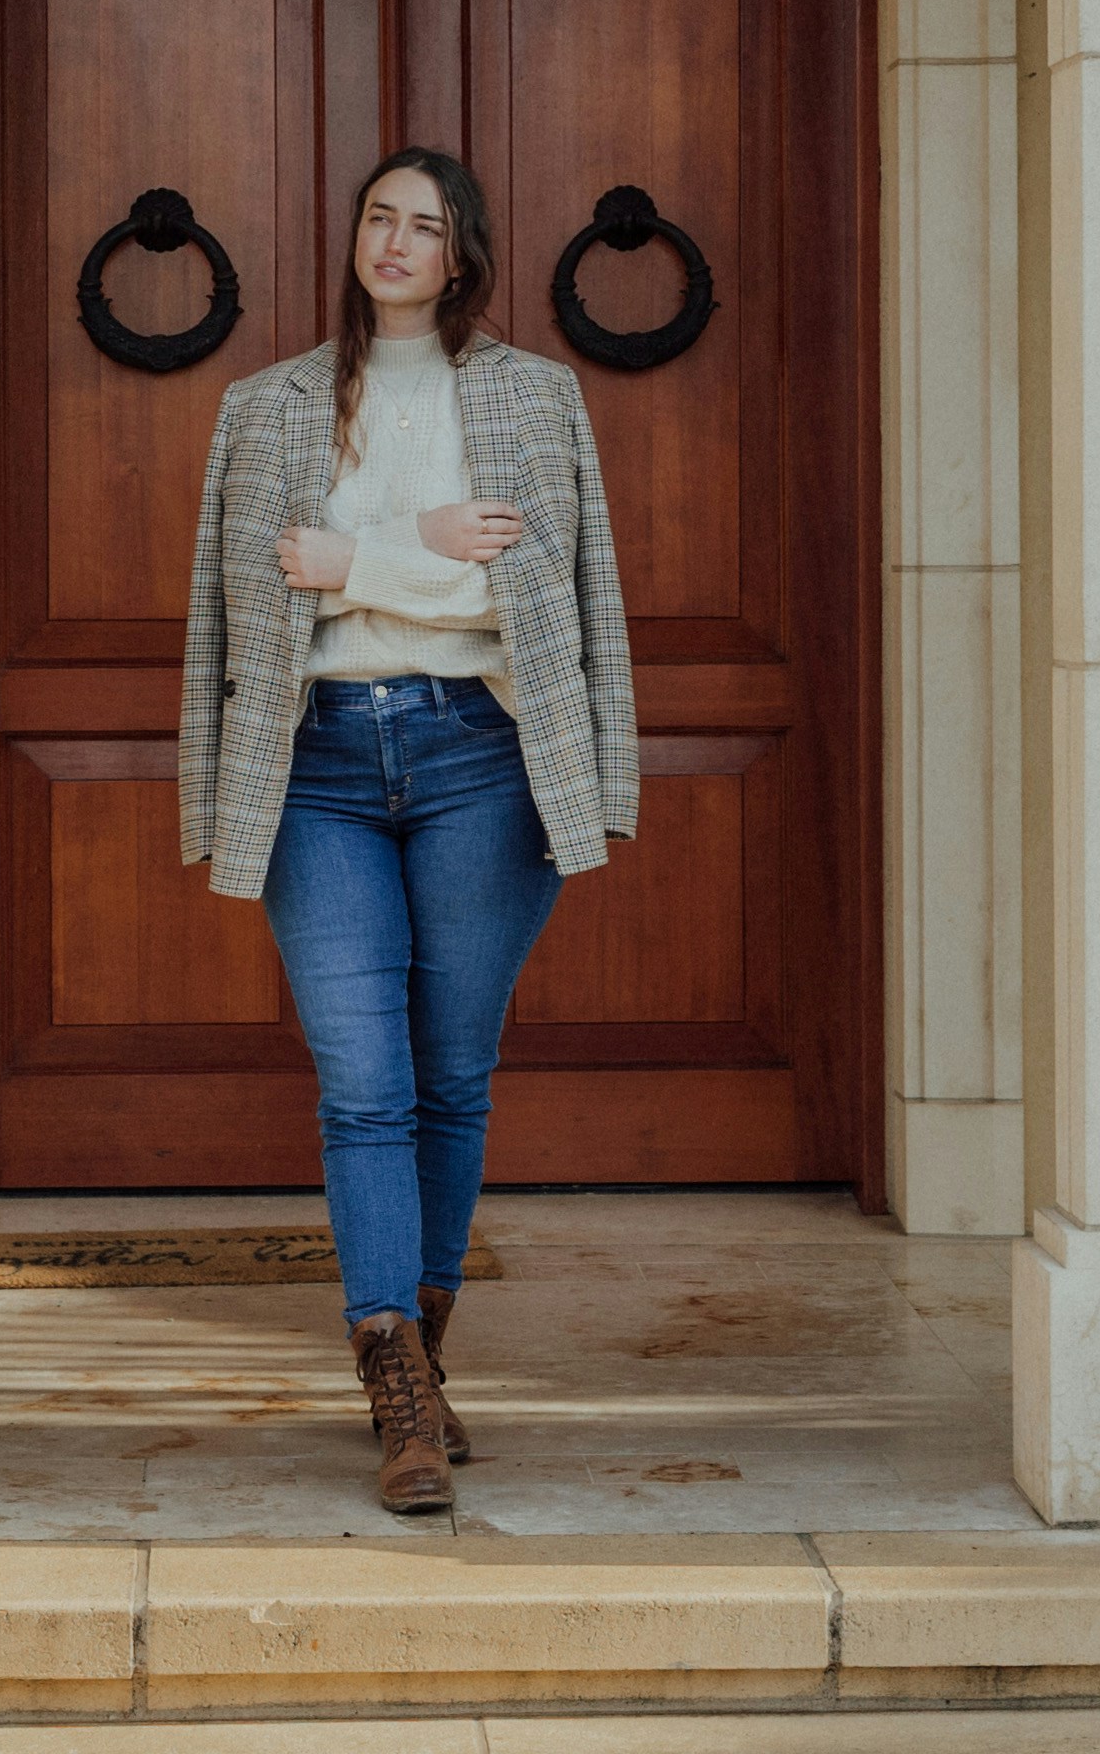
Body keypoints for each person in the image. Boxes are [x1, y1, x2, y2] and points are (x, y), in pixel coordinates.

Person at [177, 146, 638, 1514]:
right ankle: (393, 1375)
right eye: (380, 217)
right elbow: (242, 605)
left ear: (461, 254)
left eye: (423, 226)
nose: (394, 241)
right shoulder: (262, 410)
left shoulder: (532, 398)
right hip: (316, 763)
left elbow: (545, 600)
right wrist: (438, 558)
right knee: (362, 1082)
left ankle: (420, 1375)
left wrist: (367, 564)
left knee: (449, 1076)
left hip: (477, 761)